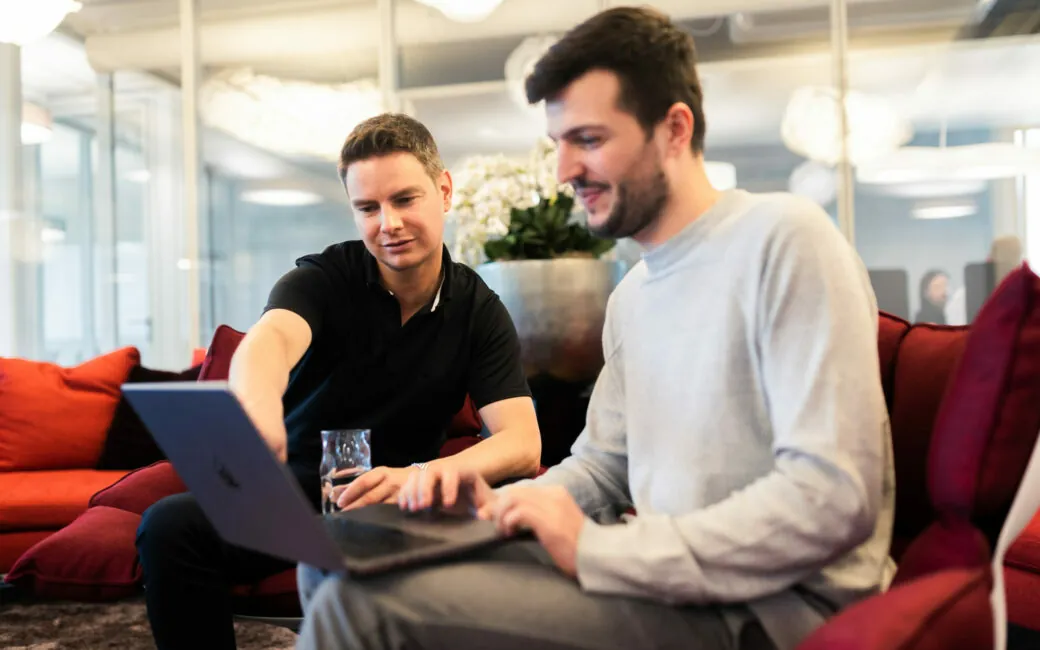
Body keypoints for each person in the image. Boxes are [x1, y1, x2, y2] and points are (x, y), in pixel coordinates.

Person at [295, 7, 895, 650]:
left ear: (673, 129)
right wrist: (501, 505)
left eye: (588, 139)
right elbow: (605, 469)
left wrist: (597, 552)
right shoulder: (634, 293)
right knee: (332, 554)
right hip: (664, 574)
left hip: (774, 605)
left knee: (358, 612)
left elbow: (832, 499)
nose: (563, 171)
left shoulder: (787, 241)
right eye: (559, 144)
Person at [135, 113, 542, 650]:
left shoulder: (478, 310)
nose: (387, 223)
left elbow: (522, 442)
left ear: (444, 191)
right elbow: (271, 340)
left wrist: (417, 476)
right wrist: (255, 407)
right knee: (169, 527)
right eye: (368, 208)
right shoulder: (324, 278)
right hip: (297, 492)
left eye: (404, 199)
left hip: (403, 502)